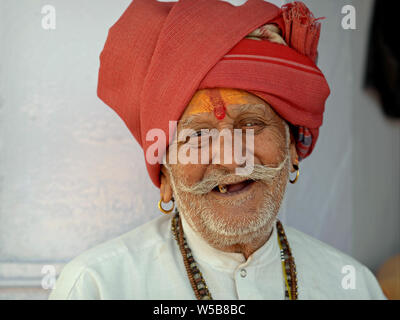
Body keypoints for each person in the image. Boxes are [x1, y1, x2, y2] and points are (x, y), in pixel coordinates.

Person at [49, 0, 386, 300]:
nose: (230, 159)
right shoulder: (97, 286)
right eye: (198, 135)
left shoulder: (353, 286)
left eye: (252, 125)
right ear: (165, 174)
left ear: (292, 148)